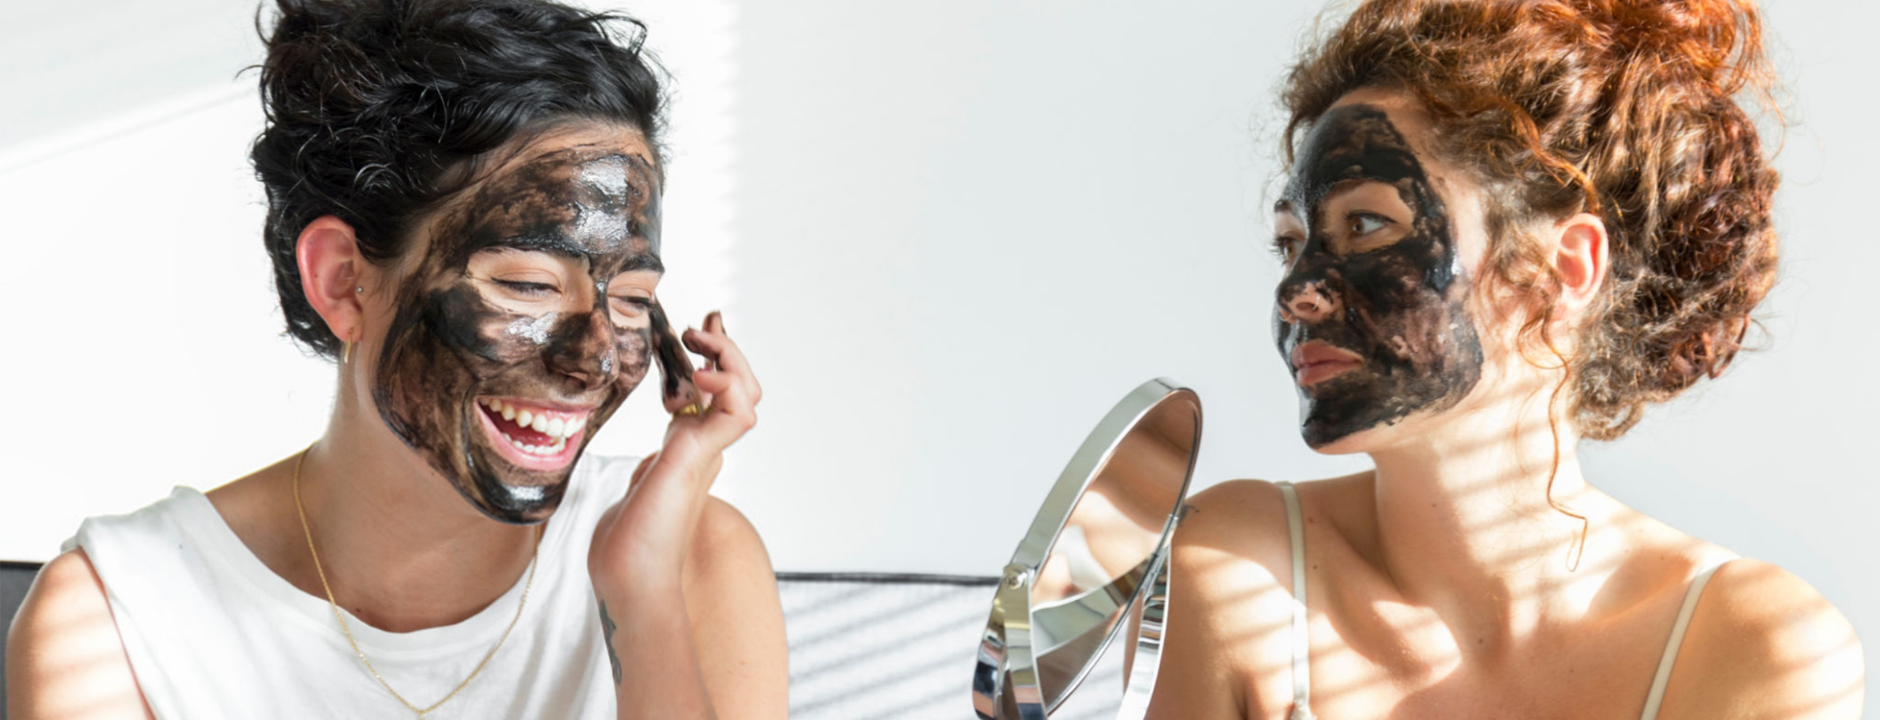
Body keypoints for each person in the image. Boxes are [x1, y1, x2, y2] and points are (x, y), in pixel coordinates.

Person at [5, 1, 787, 718]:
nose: (590, 361)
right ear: (344, 281)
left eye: (630, 300)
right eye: (525, 284)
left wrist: (642, 597)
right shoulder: (120, 621)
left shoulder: (695, 559)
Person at [1152, 0, 1863, 718]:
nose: (1297, 291)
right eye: (1291, 243)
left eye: (1365, 224)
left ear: (1563, 268)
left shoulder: (1749, 645)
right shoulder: (1239, 571)